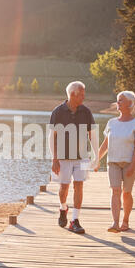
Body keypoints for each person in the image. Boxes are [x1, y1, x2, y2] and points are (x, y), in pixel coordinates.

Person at [48, 81, 99, 234]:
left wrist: (96, 157)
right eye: (81, 94)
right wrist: (54, 159)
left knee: (79, 185)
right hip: (63, 157)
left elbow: (93, 135)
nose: (84, 97)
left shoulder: (86, 112)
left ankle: (75, 220)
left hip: (82, 157)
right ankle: (63, 208)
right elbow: (52, 137)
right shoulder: (57, 112)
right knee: (64, 187)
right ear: (72, 95)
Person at [96, 91, 135, 232]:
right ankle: (115, 223)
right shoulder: (111, 123)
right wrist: (97, 160)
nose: (118, 103)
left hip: (130, 163)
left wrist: (132, 165)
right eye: (118, 100)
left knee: (126, 193)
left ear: (130, 104)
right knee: (115, 191)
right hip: (113, 162)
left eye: (121, 100)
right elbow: (105, 144)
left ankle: (126, 221)